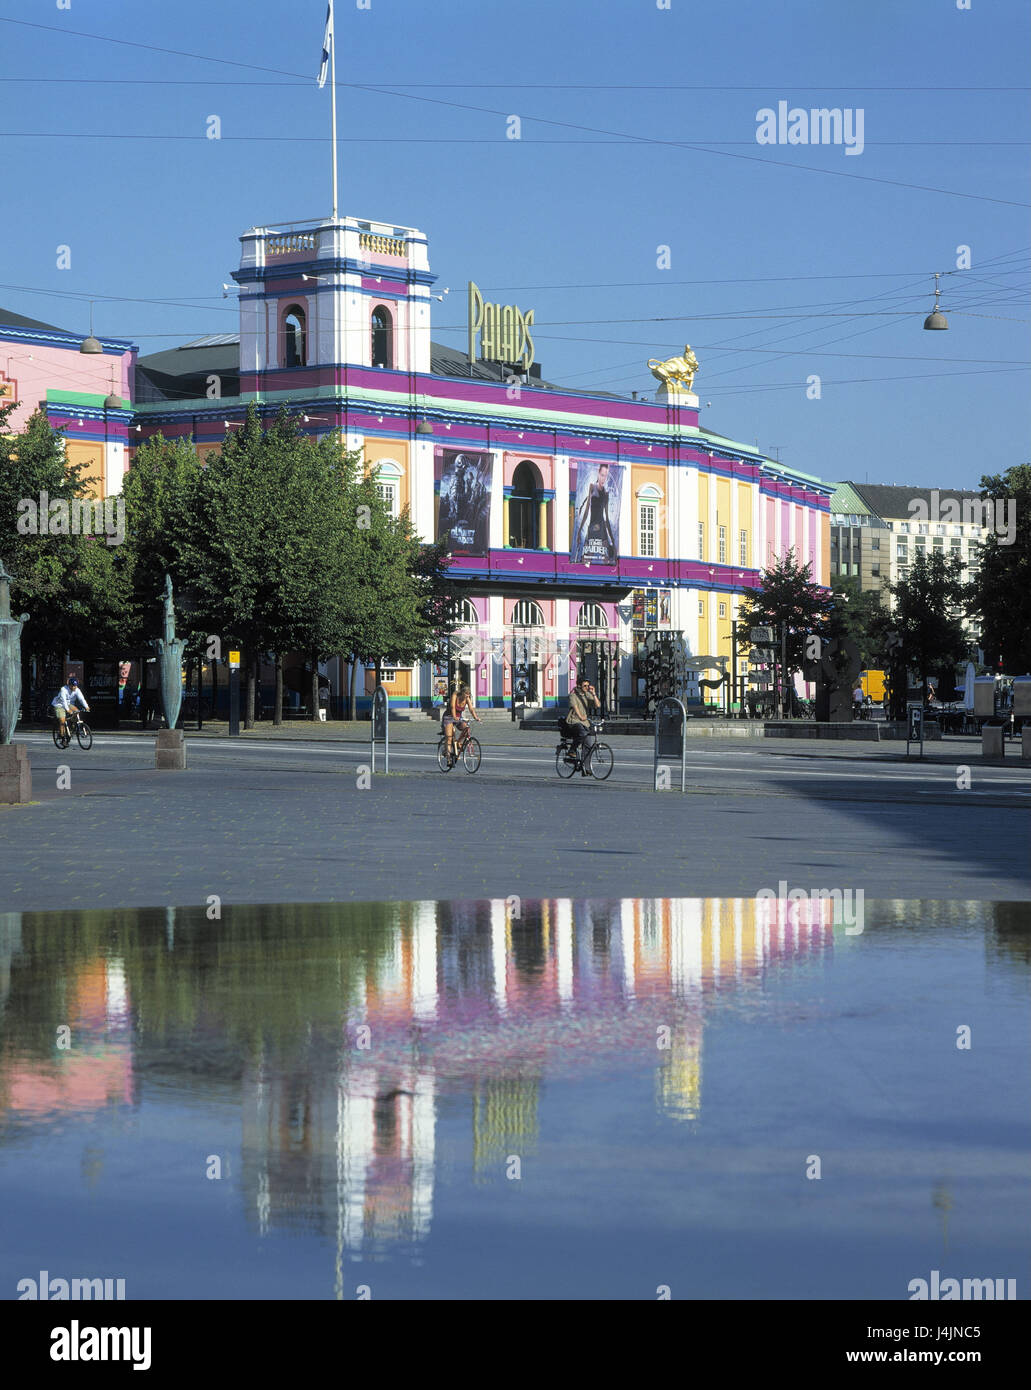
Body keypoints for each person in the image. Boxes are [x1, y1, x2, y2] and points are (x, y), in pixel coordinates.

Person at [561, 675, 601, 775]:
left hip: (585, 722)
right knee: (582, 733)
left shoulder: (587, 695)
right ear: (579, 685)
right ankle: (572, 750)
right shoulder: (573, 695)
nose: (587, 688)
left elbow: (598, 705)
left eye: (588, 686)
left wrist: (594, 694)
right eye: (585, 686)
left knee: (589, 744)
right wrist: (580, 716)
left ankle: (586, 768)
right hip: (574, 721)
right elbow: (575, 707)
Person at [442, 681, 481, 763]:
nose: (467, 696)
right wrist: (454, 716)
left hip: (459, 718)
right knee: (449, 737)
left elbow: (471, 709)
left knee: (466, 728)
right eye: (466, 694)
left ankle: (458, 743)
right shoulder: (455, 695)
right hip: (449, 717)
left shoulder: (467, 699)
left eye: (468, 694)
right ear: (462, 693)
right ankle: (448, 758)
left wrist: (476, 717)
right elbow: (452, 707)